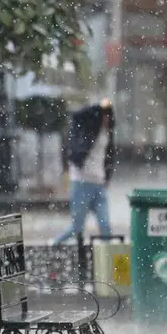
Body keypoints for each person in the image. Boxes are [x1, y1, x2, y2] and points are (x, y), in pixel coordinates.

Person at [53, 100, 117, 245]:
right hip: (81, 182)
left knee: (105, 226)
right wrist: (99, 106)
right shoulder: (88, 128)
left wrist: (107, 178)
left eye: (109, 116)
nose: (107, 119)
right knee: (76, 228)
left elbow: (110, 157)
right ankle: (53, 245)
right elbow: (76, 115)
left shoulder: (108, 133)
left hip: (99, 184)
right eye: (104, 115)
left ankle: (107, 257)